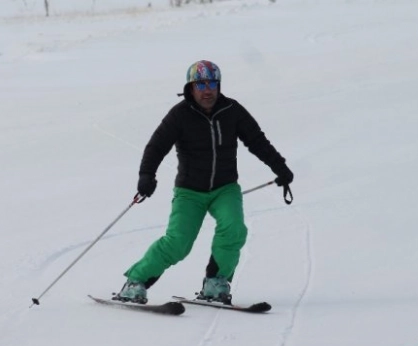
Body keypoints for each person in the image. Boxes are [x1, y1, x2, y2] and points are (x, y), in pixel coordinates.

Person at [114, 60, 294, 305]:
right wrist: (147, 176)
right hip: (189, 191)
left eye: (212, 84)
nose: (207, 90)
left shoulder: (232, 110)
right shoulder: (179, 115)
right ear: (191, 87)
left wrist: (280, 167)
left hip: (225, 188)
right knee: (178, 243)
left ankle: (216, 282)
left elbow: (257, 141)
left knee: (234, 229)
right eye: (201, 84)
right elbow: (156, 147)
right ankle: (135, 282)